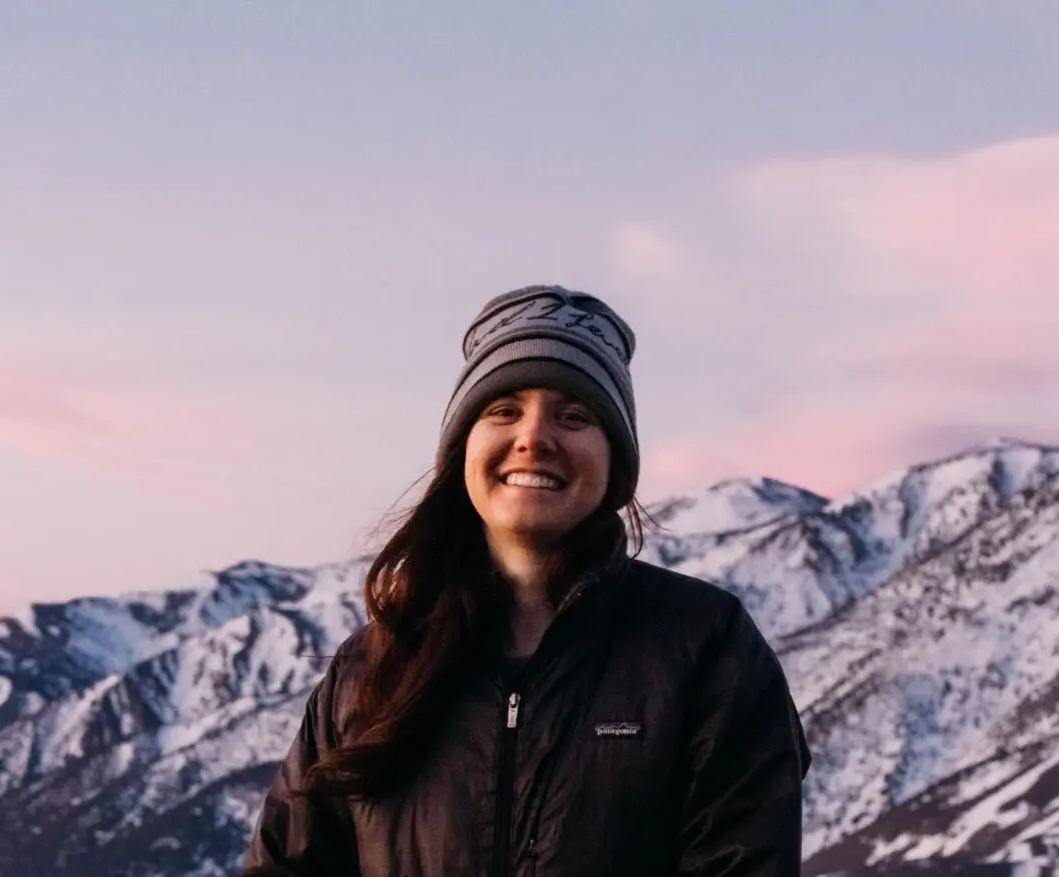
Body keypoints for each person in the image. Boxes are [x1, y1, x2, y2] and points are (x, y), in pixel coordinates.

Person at [243, 285, 812, 877]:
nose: (534, 438)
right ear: (463, 448)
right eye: (504, 410)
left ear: (615, 463)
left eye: (574, 416)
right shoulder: (373, 666)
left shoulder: (705, 648)